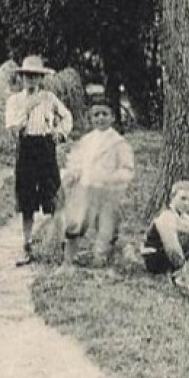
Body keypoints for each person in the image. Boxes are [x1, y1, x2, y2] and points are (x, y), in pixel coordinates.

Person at [5, 55, 73, 266]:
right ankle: (26, 246)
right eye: (27, 76)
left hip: (45, 148)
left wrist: (60, 133)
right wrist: (27, 108)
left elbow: (67, 116)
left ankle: (60, 246)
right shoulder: (14, 100)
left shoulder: (49, 98)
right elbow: (12, 126)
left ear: (41, 78)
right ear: (22, 78)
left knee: (53, 196)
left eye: (35, 77)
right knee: (26, 200)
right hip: (26, 148)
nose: (31, 80)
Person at [58, 98, 134, 267]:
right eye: (96, 115)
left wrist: (110, 178)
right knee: (75, 223)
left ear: (113, 117)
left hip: (106, 191)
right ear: (90, 118)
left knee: (106, 228)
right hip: (85, 188)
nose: (100, 118)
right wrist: (73, 173)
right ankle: (67, 262)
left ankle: (105, 256)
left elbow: (127, 169)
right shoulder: (87, 140)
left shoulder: (118, 143)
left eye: (104, 114)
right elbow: (77, 161)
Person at [141, 181, 189, 295]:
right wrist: (180, 269)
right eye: (183, 198)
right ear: (173, 197)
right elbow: (171, 246)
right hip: (154, 259)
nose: (186, 203)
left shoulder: (182, 216)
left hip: (164, 254)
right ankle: (182, 278)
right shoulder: (167, 214)